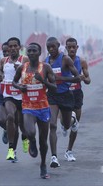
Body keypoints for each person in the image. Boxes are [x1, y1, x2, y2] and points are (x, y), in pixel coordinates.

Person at [12, 42, 56, 179]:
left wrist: (43, 81)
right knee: (30, 131)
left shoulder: (46, 67)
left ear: (39, 52)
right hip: (28, 106)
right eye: (29, 51)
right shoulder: (22, 68)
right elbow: (14, 82)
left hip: (43, 107)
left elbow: (54, 87)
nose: (31, 53)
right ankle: (31, 140)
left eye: (34, 51)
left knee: (43, 141)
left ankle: (43, 165)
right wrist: (20, 87)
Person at [45, 36, 80, 168]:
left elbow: (77, 78)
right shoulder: (46, 61)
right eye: (48, 47)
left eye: (53, 46)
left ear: (58, 45)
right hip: (52, 96)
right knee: (52, 125)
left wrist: (61, 78)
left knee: (66, 124)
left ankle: (73, 120)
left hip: (65, 95)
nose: (51, 49)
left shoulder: (65, 59)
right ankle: (54, 157)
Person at [0, 37, 29, 162]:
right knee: (10, 117)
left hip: (22, 96)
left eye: (15, 46)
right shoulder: (3, 61)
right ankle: (11, 149)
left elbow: (31, 73)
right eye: (10, 46)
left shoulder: (24, 60)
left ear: (20, 48)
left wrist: (21, 71)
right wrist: (0, 78)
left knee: (22, 124)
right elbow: (0, 73)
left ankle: (25, 139)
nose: (13, 48)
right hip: (8, 95)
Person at [64, 37, 91, 162]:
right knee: (66, 122)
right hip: (64, 94)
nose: (71, 49)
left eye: (73, 47)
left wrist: (83, 78)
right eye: (69, 47)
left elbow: (88, 80)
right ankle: (66, 124)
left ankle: (69, 151)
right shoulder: (62, 61)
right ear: (66, 48)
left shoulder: (82, 62)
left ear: (77, 47)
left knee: (75, 126)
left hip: (77, 94)